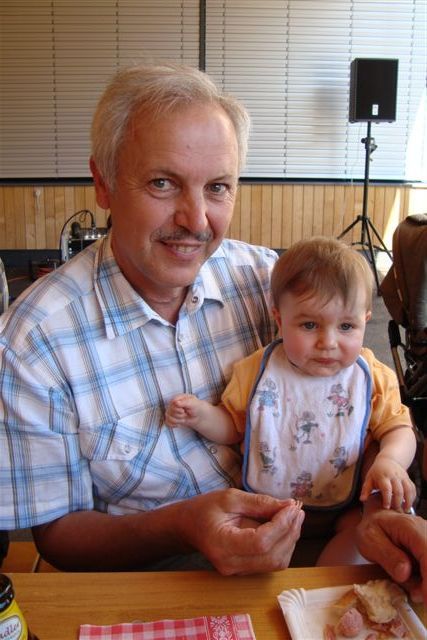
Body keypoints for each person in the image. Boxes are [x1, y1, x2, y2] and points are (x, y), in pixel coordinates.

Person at [0, 63, 423, 592]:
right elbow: (57, 535)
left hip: (319, 539)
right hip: (157, 577)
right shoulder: (33, 341)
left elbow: (357, 404)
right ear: (103, 183)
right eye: (162, 183)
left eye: (218, 187)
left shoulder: (272, 283)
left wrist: (379, 510)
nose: (196, 220)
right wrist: (182, 526)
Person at [166, 237, 417, 560]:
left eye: (346, 326)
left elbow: (398, 429)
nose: (328, 342)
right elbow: (234, 426)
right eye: (310, 325)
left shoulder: (371, 377)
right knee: (239, 537)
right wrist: (201, 415)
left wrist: (390, 461)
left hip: (344, 510)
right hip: (268, 509)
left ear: (365, 320)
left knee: (360, 538)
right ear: (280, 320)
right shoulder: (258, 370)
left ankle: (328, 583)